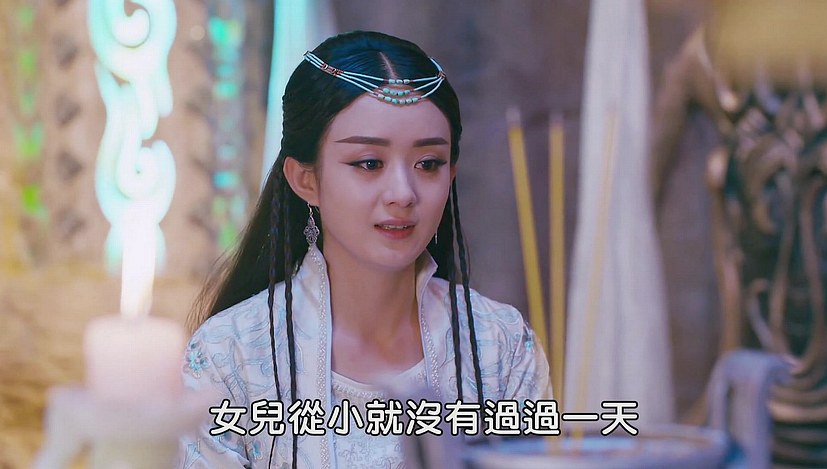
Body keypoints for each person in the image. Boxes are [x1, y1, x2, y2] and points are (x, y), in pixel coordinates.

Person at [178, 30, 551, 469]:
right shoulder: (231, 354)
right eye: (369, 163)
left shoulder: (500, 346)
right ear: (306, 180)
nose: (403, 193)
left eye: (428, 164)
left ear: (450, 174)